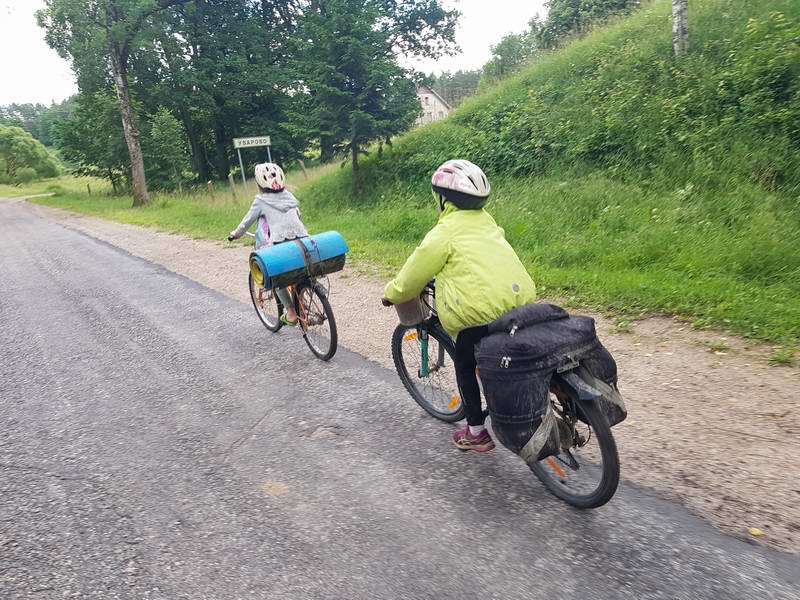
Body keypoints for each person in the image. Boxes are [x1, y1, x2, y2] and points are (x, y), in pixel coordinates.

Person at [382, 159, 537, 452]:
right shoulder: (487, 221)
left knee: (465, 362)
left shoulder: (444, 231)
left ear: (441, 198)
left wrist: (392, 293)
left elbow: (412, 276)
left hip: (481, 315)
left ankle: (476, 432)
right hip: (521, 302)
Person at [228, 162, 308, 326]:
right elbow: (297, 217)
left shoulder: (261, 201)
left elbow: (247, 222)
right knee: (298, 272)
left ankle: (292, 312)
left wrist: (235, 234)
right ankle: (302, 299)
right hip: (302, 241)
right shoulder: (290, 196)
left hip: (279, 246)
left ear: (259, 183)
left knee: (276, 279)